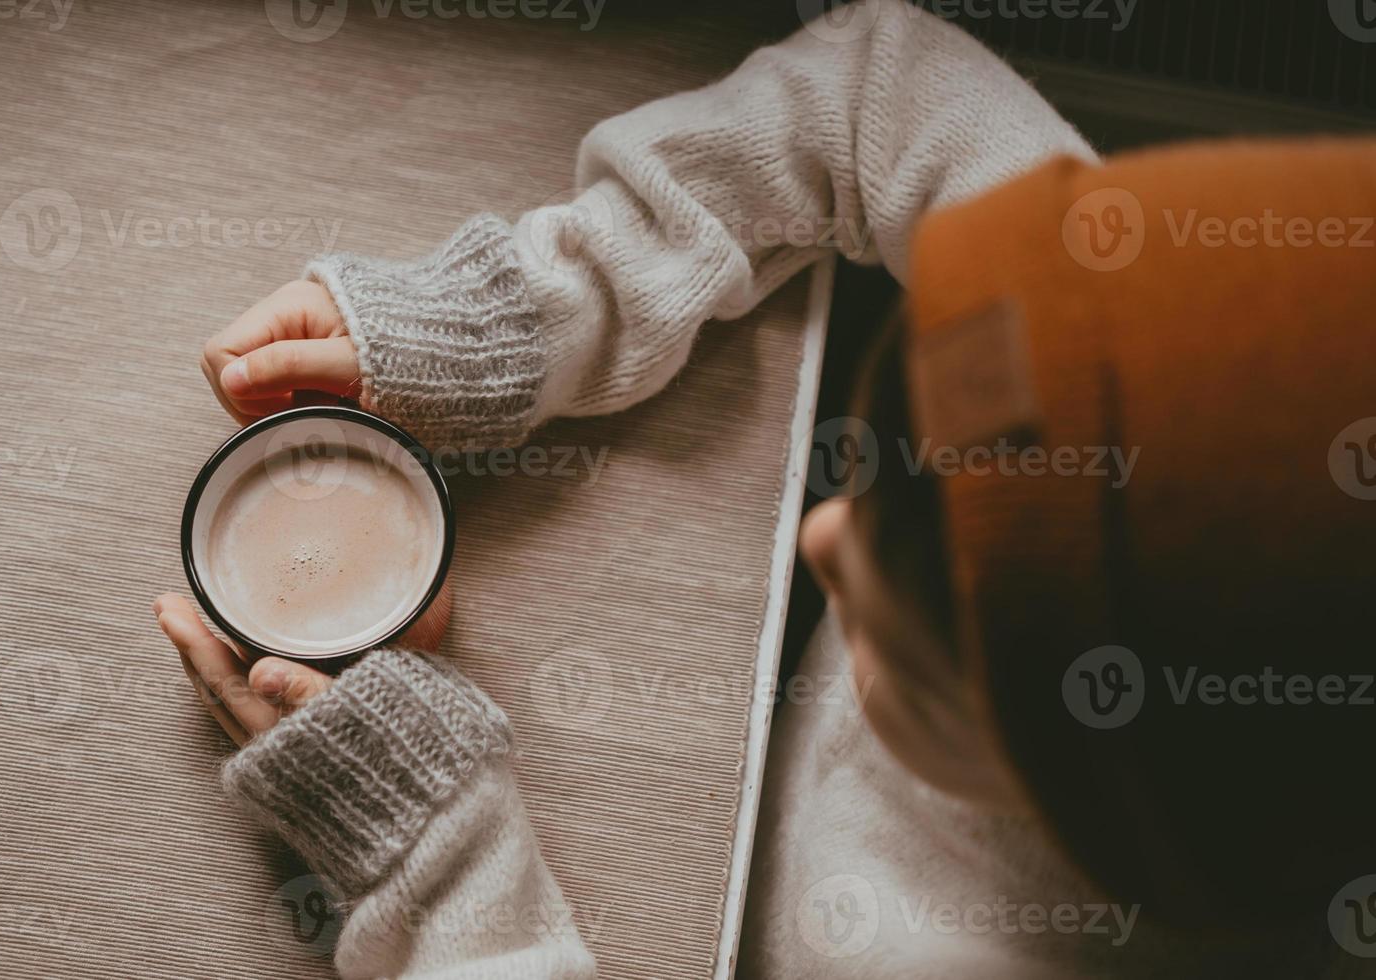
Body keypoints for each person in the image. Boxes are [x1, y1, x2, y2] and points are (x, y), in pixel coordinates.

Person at [152, 1, 1376, 975]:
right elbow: (874, 87)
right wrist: (535, 312)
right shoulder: (1130, 347)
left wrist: (440, 864)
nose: (827, 535)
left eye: (922, 638)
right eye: (919, 471)